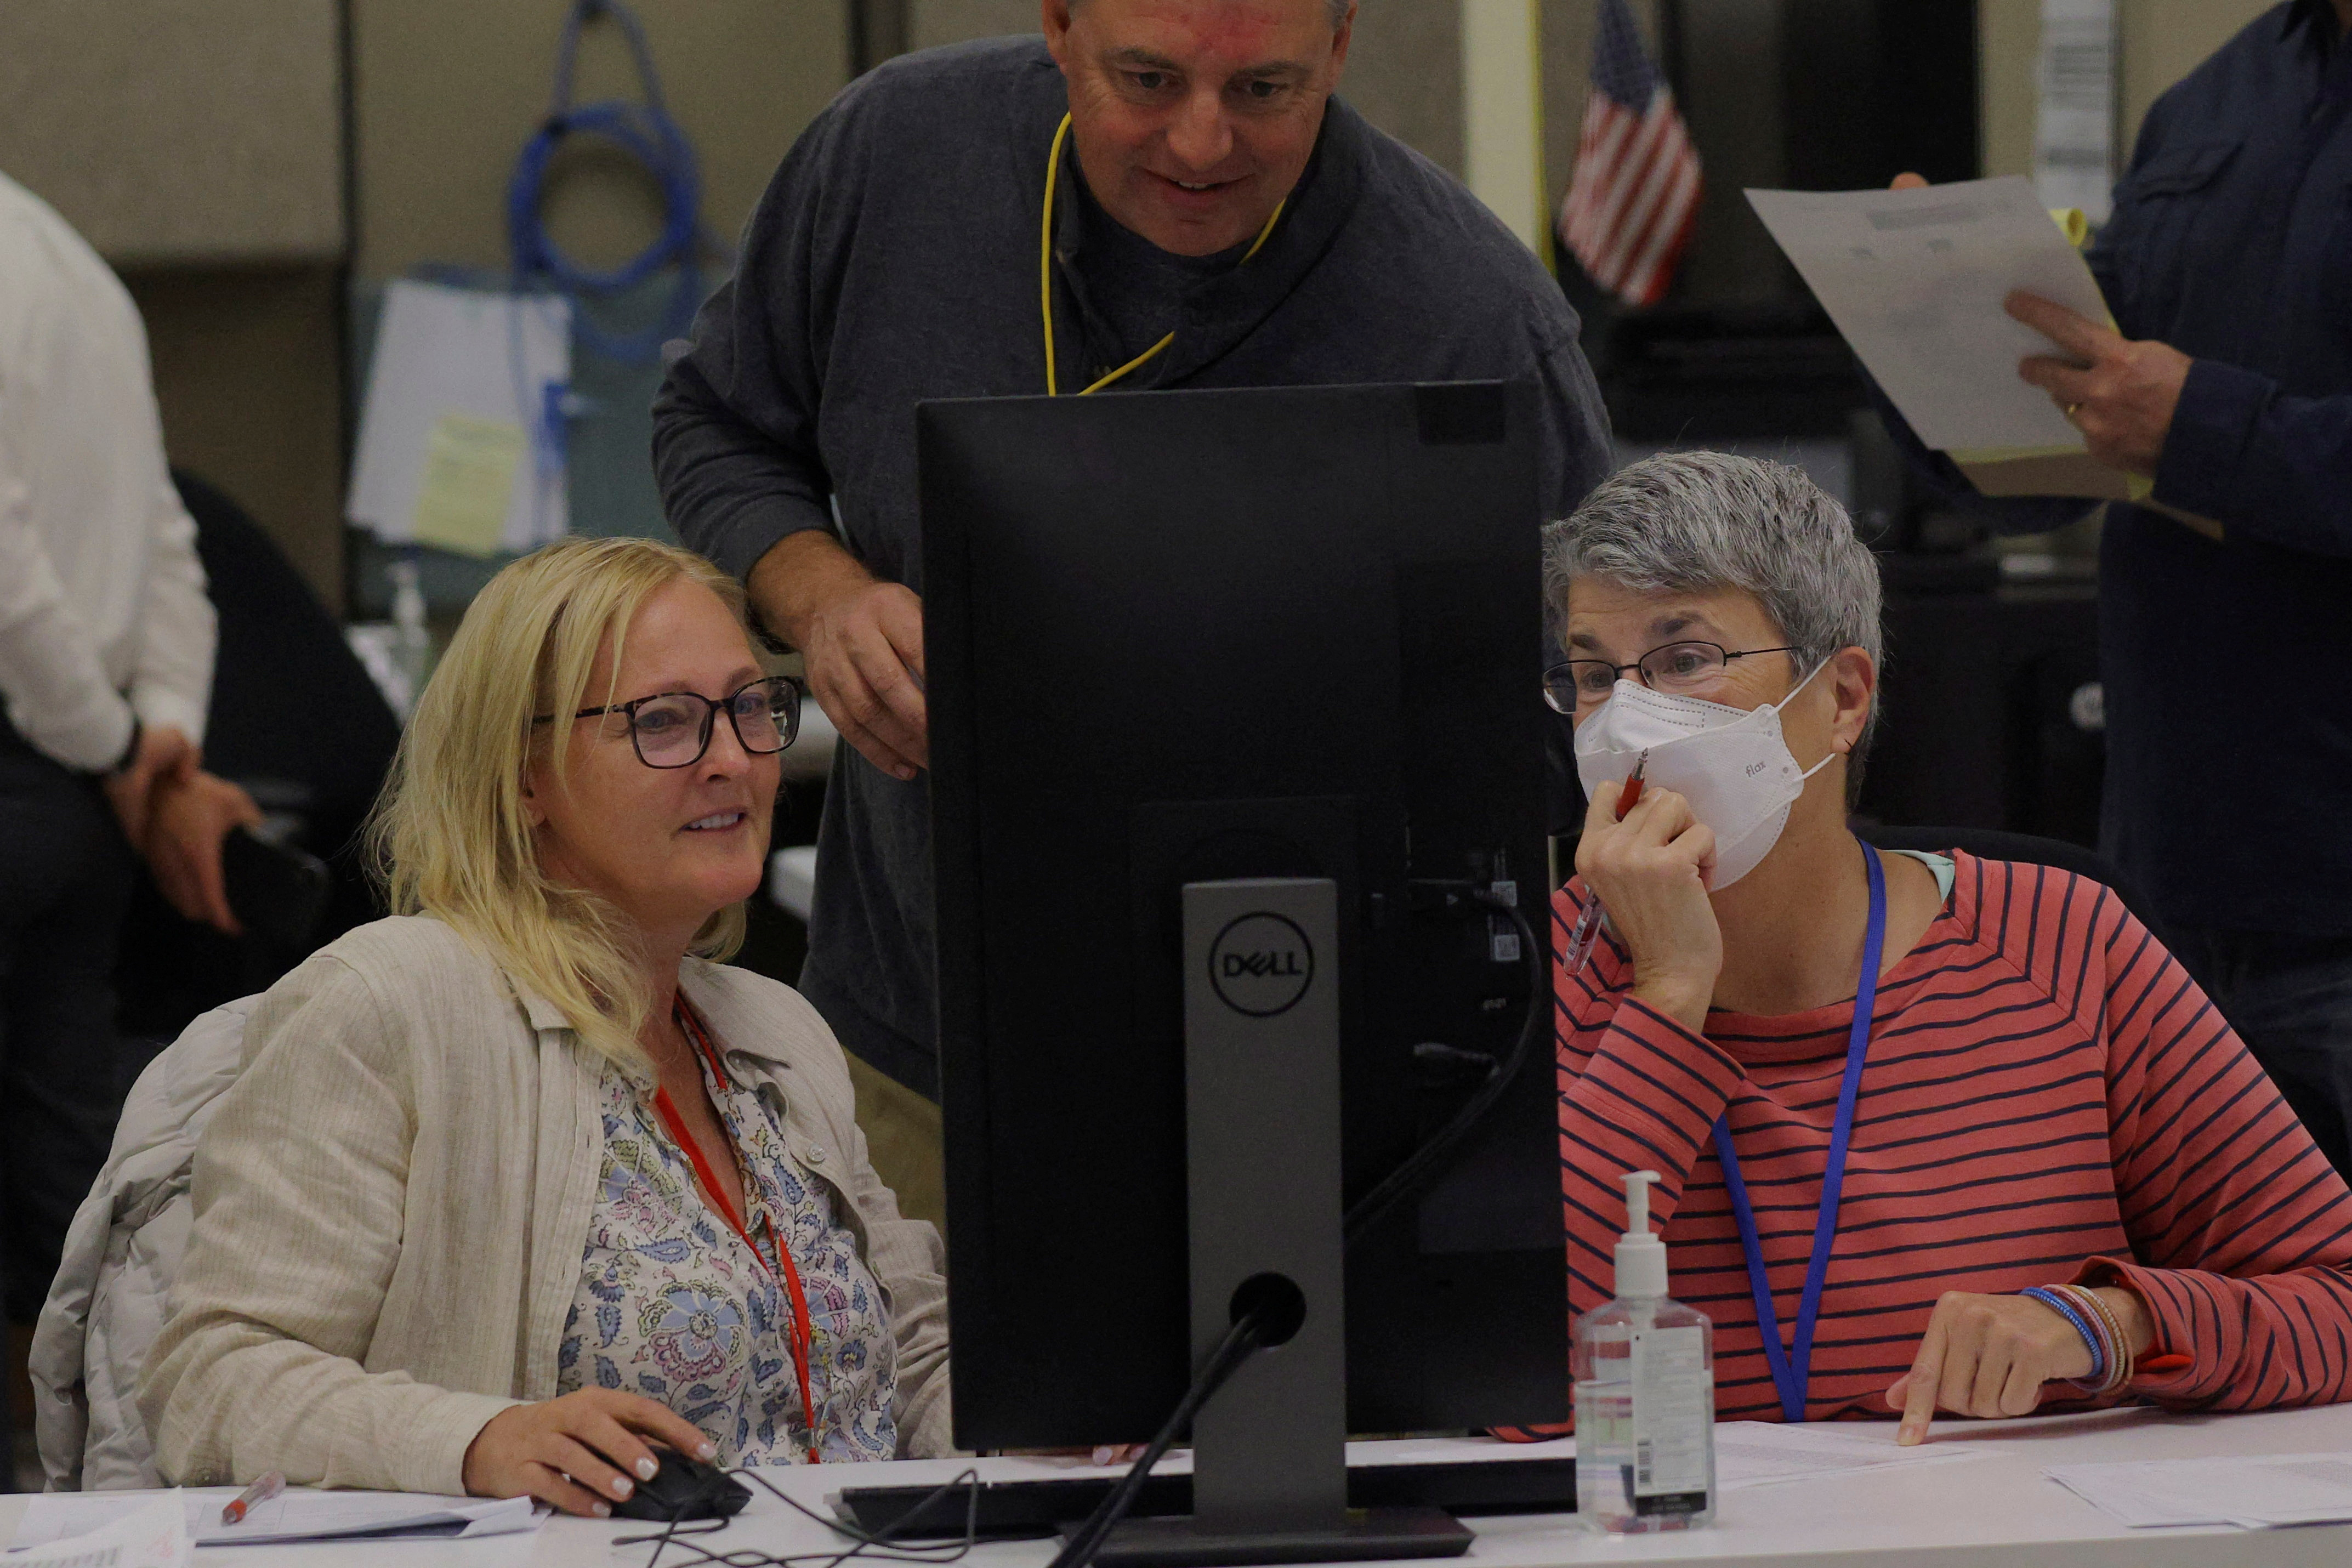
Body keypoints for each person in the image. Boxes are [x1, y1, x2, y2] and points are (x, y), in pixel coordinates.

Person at [651, 0, 1614, 1209]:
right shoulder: (896, 156)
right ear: (1058, 25)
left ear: (1341, 48)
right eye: (1148, 80)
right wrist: (824, 594)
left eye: (1263, 90)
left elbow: (1598, 699)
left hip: (1334, 1080)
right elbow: (715, 421)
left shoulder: (1472, 315)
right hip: (915, 1055)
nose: (1201, 144)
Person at [1538, 452, 2352, 1442]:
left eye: (1685, 660)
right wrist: (1665, 998)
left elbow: (2336, 1297)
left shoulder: (2063, 944)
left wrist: (2113, 1325)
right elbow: (1477, 1372)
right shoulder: (1529, 978)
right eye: (1592, 676)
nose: (1628, 723)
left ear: (1840, 700)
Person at [139, 538, 950, 1509]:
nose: (732, 759)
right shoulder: (390, 1005)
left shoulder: (778, 1029)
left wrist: (1072, 1436)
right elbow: (215, 1380)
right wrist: (476, 1439)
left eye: (747, 708)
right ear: (522, 777)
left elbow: (915, 1351)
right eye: (664, 722)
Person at [1882, 0, 2352, 1177]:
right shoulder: (2210, 104)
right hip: (2177, 885)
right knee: (2211, 1335)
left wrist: (2204, 429)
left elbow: (2175, 425)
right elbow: (2071, 453)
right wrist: (1931, 348)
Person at [0, 168, 259, 1401]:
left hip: (36, 760)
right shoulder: (68, 260)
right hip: (73, 800)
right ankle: (68, 1506)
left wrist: (114, 748)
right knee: (56, 1179)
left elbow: (4, 575)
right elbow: (166, 541)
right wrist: (158, 736)